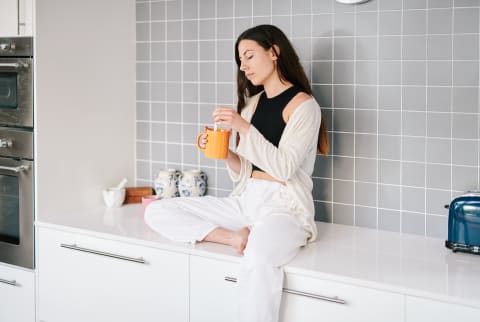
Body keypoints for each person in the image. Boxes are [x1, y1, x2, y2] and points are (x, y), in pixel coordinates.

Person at [144, 24, 329, 322]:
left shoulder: (304, 106)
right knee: (158, 211)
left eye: (249, 56)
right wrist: (225, 152)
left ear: (274, 52)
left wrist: (243, 128)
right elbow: (245, 171)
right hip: (246, 202)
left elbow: (283, 167)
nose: (243, 66)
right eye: (240, 60)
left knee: (258, 257)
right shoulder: (253, 105)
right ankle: (233, 239)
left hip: (285, 208)